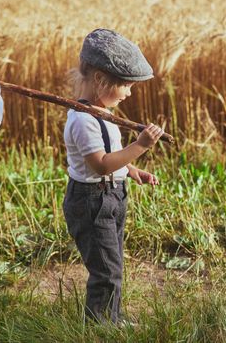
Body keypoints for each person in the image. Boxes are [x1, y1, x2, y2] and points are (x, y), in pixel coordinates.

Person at [62, 28, 164, 326]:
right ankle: (100, 324)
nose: (129, 93)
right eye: (126, 87)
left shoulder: (103, 114)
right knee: (105, 269)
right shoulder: (83, 121)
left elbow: (113, 156)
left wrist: (131, 170)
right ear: (100, 80)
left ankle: (111, 317)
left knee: (113, 262)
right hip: (92, 201)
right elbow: (101, 165)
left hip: (112, 196)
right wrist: (141, 146)